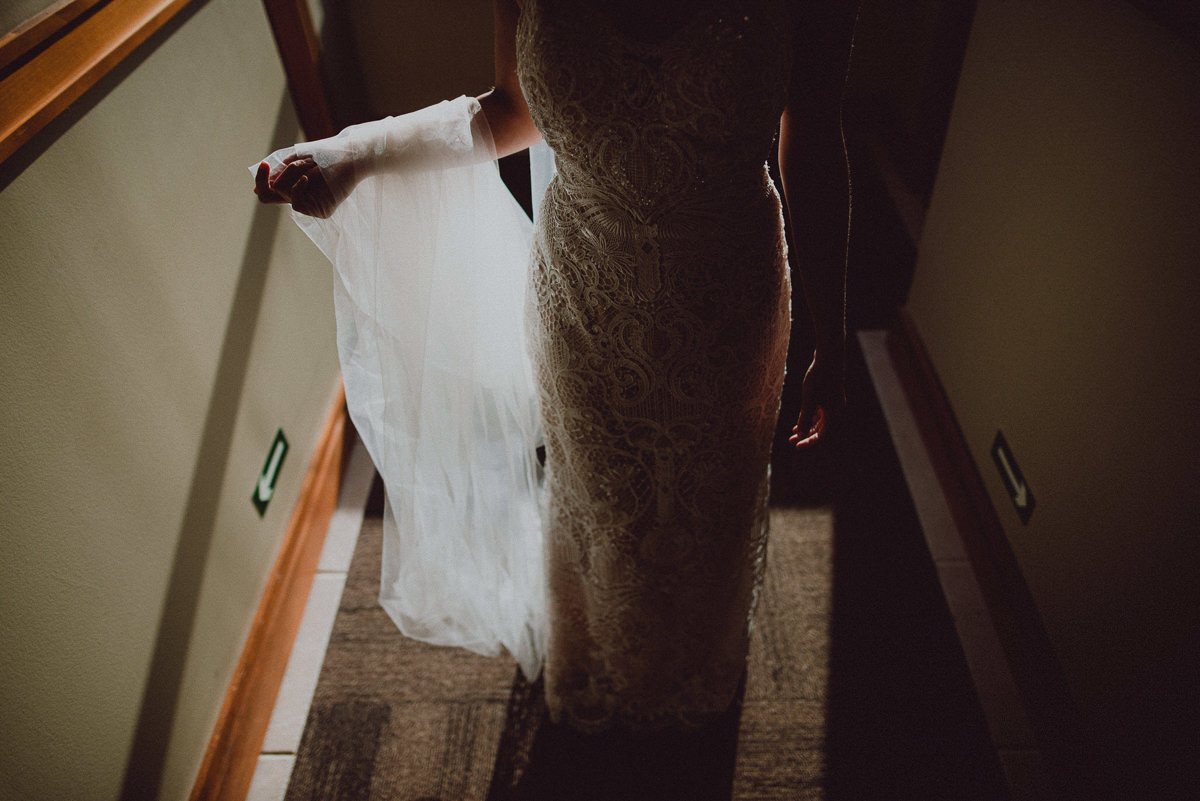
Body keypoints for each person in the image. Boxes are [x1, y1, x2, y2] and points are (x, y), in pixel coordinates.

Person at [255, 0, 856, 734]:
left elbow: (812, 136)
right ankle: (602, 657)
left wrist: (834, 335)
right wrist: (356, 154)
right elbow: (516, 111)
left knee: (709, 505)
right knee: (602, 500)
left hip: (726, 307)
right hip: (583, 297)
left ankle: (697, 663)